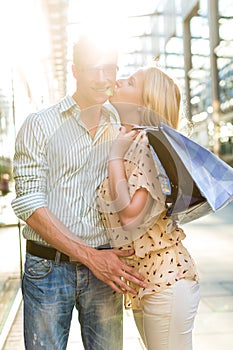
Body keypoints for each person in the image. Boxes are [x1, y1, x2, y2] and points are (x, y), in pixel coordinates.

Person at [11, 35, 146, 350]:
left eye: (109, 69)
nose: (102, 79)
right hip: (47, 269)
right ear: (74, 70)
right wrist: (90, 257)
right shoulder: (40, 124)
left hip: (106, 269)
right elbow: (29, 204)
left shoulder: (121, 125)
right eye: (92, 70)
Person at [97, 65, 200, 350]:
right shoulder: (129, 141)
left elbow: (130, 218)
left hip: (165, 282)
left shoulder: (145, 144)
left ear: (145, 104)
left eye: (129, 82)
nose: (117, 81)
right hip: (146, 282)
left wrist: (115, 157)